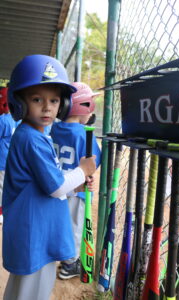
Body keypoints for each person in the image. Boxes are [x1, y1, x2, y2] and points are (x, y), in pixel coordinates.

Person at [2, 55, 96, 300]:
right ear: (18, 102)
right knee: (30, 292)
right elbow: (55, 187)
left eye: (54, 100)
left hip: (36, 231)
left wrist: (76, 182)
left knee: (32, 289)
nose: (47, 107)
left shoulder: (36, 134)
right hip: (34, 233)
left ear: (63, 104)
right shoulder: (32, 138)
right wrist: (83, 170)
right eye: (36, 99)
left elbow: (49, 179)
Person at [50, 82, 101, 280]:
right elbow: (93, 163)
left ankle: (61, 256)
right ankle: (70, 264)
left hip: (57, 184)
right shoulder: (83, 133)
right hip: (77, 188)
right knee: (74, 224)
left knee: (59, 222)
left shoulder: (53, 129)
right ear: (83, 106)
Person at [0, 86, 19, 224]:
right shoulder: (16, 119)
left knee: (1, 187)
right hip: (10, 159)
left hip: (1, 160)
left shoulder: (3, 120)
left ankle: (1, 213)